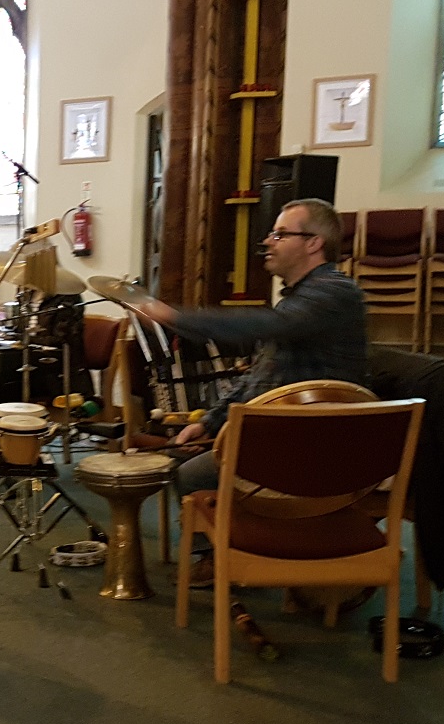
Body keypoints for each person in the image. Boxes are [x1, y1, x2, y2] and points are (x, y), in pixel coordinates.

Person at [134, 197, 368, 584]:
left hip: (315, 445)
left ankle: (226, 558)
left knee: (191, 474)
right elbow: (259, 377)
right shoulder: (301, 298)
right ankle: (234, 548)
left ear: (314, 243)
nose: (268, 242)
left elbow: (263, 325)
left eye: (280, 234)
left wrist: (174, 316)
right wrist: (210, 423)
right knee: (180, 454)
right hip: (286, 431)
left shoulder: (334, 292)